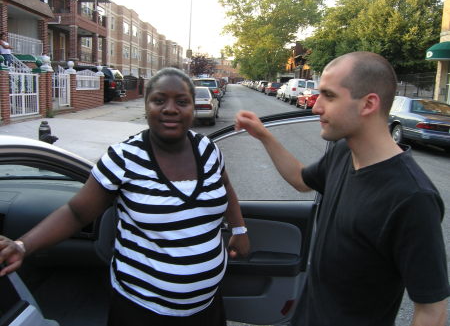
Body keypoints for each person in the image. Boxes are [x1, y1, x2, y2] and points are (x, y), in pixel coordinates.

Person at [0, 67, 250, 326]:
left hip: (206, 308)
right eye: (159, 100)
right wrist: (22, 246)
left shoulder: (208, 150)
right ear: (146, 106)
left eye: (182, 101)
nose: (171, 108)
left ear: (193, 107)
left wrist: (239, 229)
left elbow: (226, 187)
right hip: (141, 310)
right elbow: (76, 213)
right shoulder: (123, 158)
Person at [235, 51, 449, 326]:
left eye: (330, 96)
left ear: (368, 104)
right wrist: (264, 135)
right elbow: (301, 179)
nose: (316, 107)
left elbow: (432, 311)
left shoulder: (412, 197)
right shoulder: (342, 151)